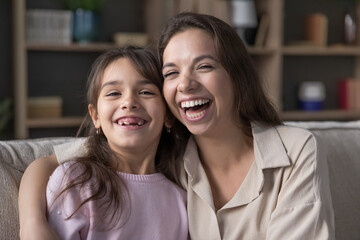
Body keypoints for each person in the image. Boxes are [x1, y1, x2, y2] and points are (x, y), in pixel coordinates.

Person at [19, 12, 335, 239]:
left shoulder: (294, 149)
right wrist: (33, 225)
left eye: (205, 66)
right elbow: (47, 162)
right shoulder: (163, 146)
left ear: (237, 77)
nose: (185, 84)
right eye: (171, 72)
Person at [19, 46, 189, 240]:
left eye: (146, 92)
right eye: (114, 93)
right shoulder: (75, 180)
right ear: (95, 116)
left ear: (168, 115)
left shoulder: (181, 200)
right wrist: (32, 222)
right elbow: (44, 164)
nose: (129, 102)